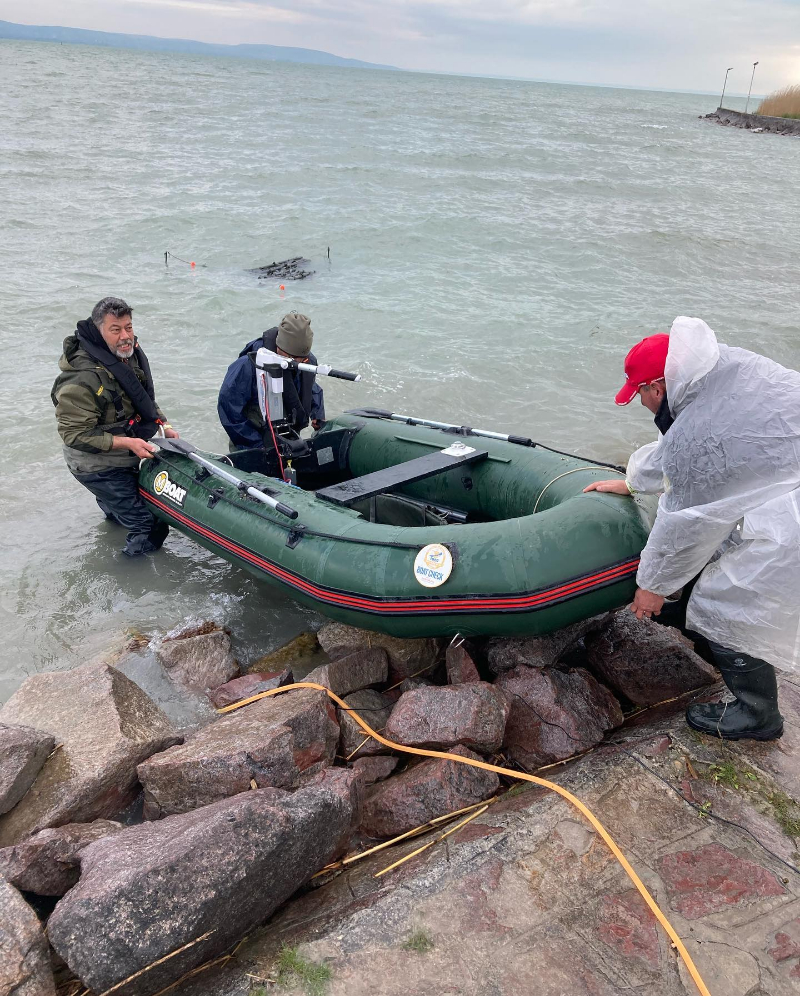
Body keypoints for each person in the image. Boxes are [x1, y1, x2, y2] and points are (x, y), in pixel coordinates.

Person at [585, 316, 800, 741]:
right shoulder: (718, 370)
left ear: (656, 387)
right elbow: (678, 446)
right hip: (782, 472)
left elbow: (684, 526)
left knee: (729, 601)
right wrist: (633, 482)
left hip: (790, 506)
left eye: (639, 394)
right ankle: (703, 633)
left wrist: (652, 587)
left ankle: (758, 715)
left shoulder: (699, 432)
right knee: (722, 558)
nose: (642, 404)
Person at [52, 297, 179, 557]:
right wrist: (127, 443)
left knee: (120, 511)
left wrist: (163, 423)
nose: (125, 336)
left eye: (128, 327)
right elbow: (73, 434)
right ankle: (128, 575)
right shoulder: (82, 378)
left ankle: (114, 519)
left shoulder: (124, 356)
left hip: (122, 452)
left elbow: (141, 398)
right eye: (116, 330)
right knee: (149, 525)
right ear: (99, 330)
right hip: (95, 465)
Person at [217, 312, 325, 450]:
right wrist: (256, 444)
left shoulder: (306, 361)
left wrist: (318, 413)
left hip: (288, 437)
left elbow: (311, 387)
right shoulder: (247, 366)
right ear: (280, 347)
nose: (297, 363)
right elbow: (229, 408)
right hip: (251, 441)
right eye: (292, 359)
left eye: (302, 360)